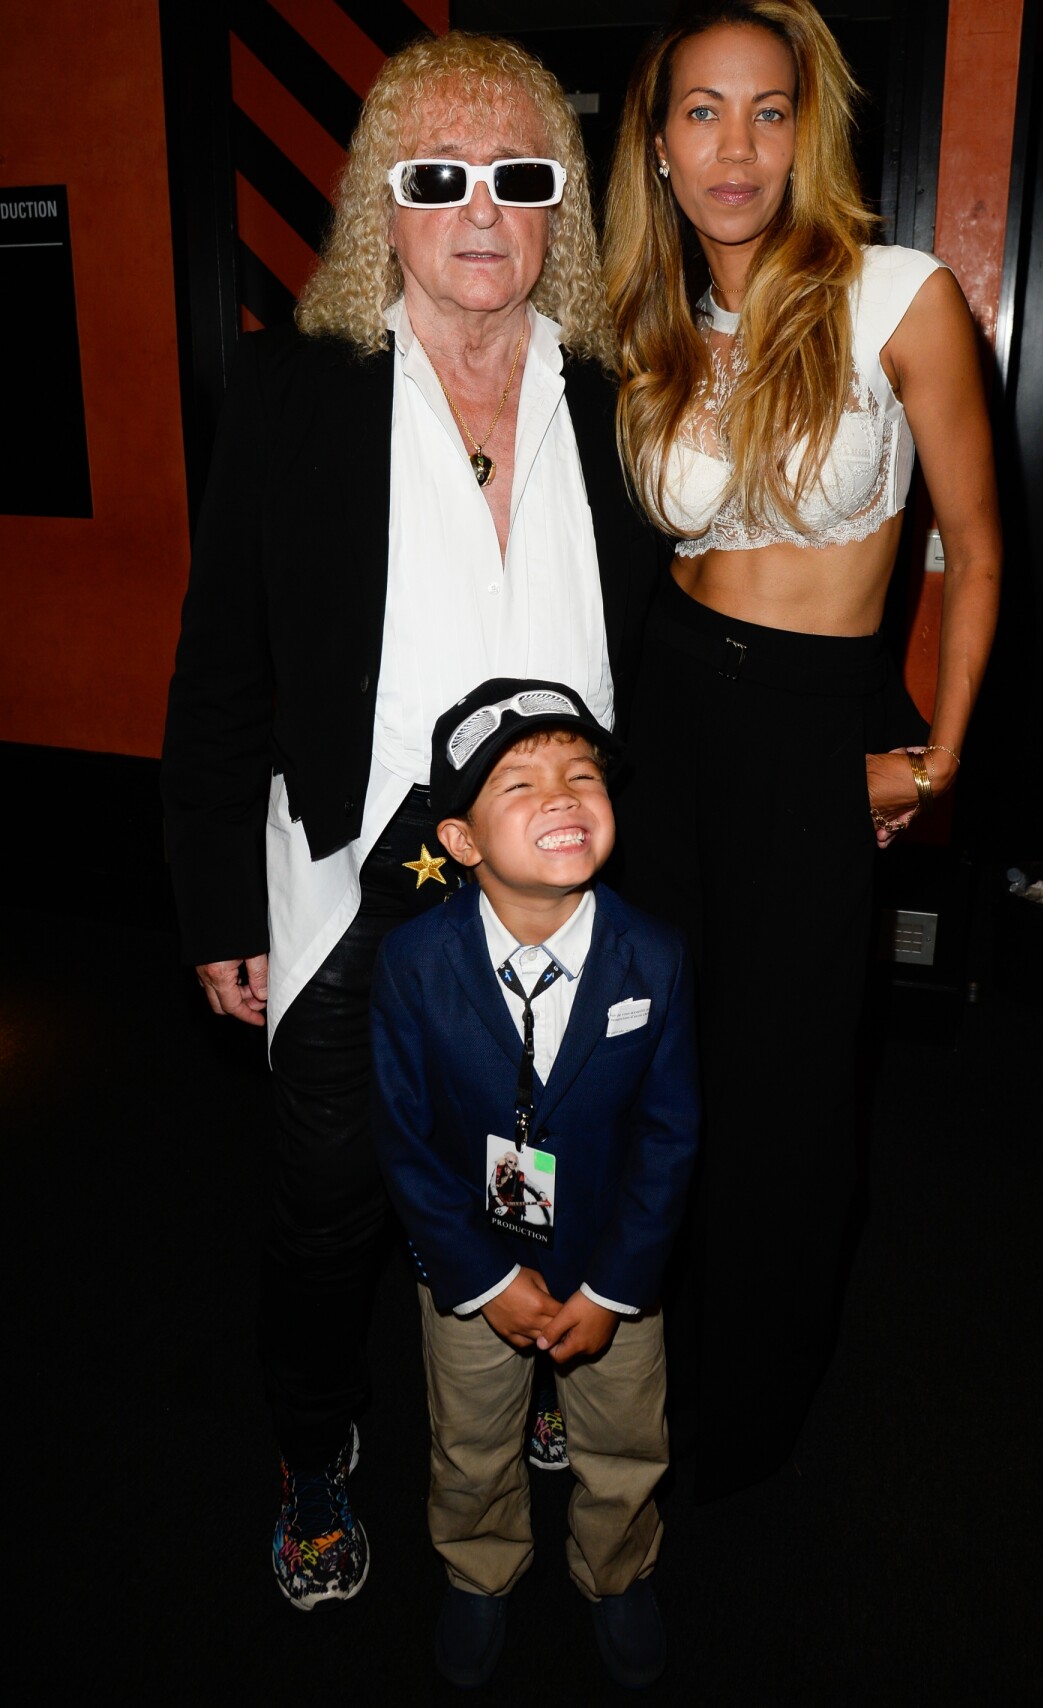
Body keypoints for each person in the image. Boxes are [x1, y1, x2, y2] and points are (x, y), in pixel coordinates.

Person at [159, 31, 658, 1609]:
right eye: (438, 178)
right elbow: (221, 664)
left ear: (560, 206)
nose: (481, 214)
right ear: (384, 201)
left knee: (563, 1158)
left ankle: (554, 1392)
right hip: (355, 890)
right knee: (327, 1210)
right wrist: (215, 910)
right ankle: (315, 1445)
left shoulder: (619, 396)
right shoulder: (300, 390)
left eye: (520, 178)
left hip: (571, 892)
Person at [602, 0, 1002, 1501]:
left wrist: (938, 752)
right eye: (701, 110)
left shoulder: (900, 295)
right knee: (652, 1076)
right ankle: (642, 1367)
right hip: (664, 726)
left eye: (769, 109)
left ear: (808, 125)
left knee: (791, 1098)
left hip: (809, 733)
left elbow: (972, 544)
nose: (736, 144)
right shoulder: (650, 322)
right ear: (658, 144)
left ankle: (751, 1416)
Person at [369, 678, 700, 1689]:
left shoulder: (656, 955)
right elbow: (404, 1136)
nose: (562, 793)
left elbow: (670, 1134)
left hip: (611, 1263)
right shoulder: (412, 963)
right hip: (473, 1269)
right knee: (469, 1435)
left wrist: (611, 1288)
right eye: (520, 782)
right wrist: (477, 1276)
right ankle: (478, 1565)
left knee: (624, 1436)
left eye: (581, 774)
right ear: (461, 841)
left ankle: (615, 1564)